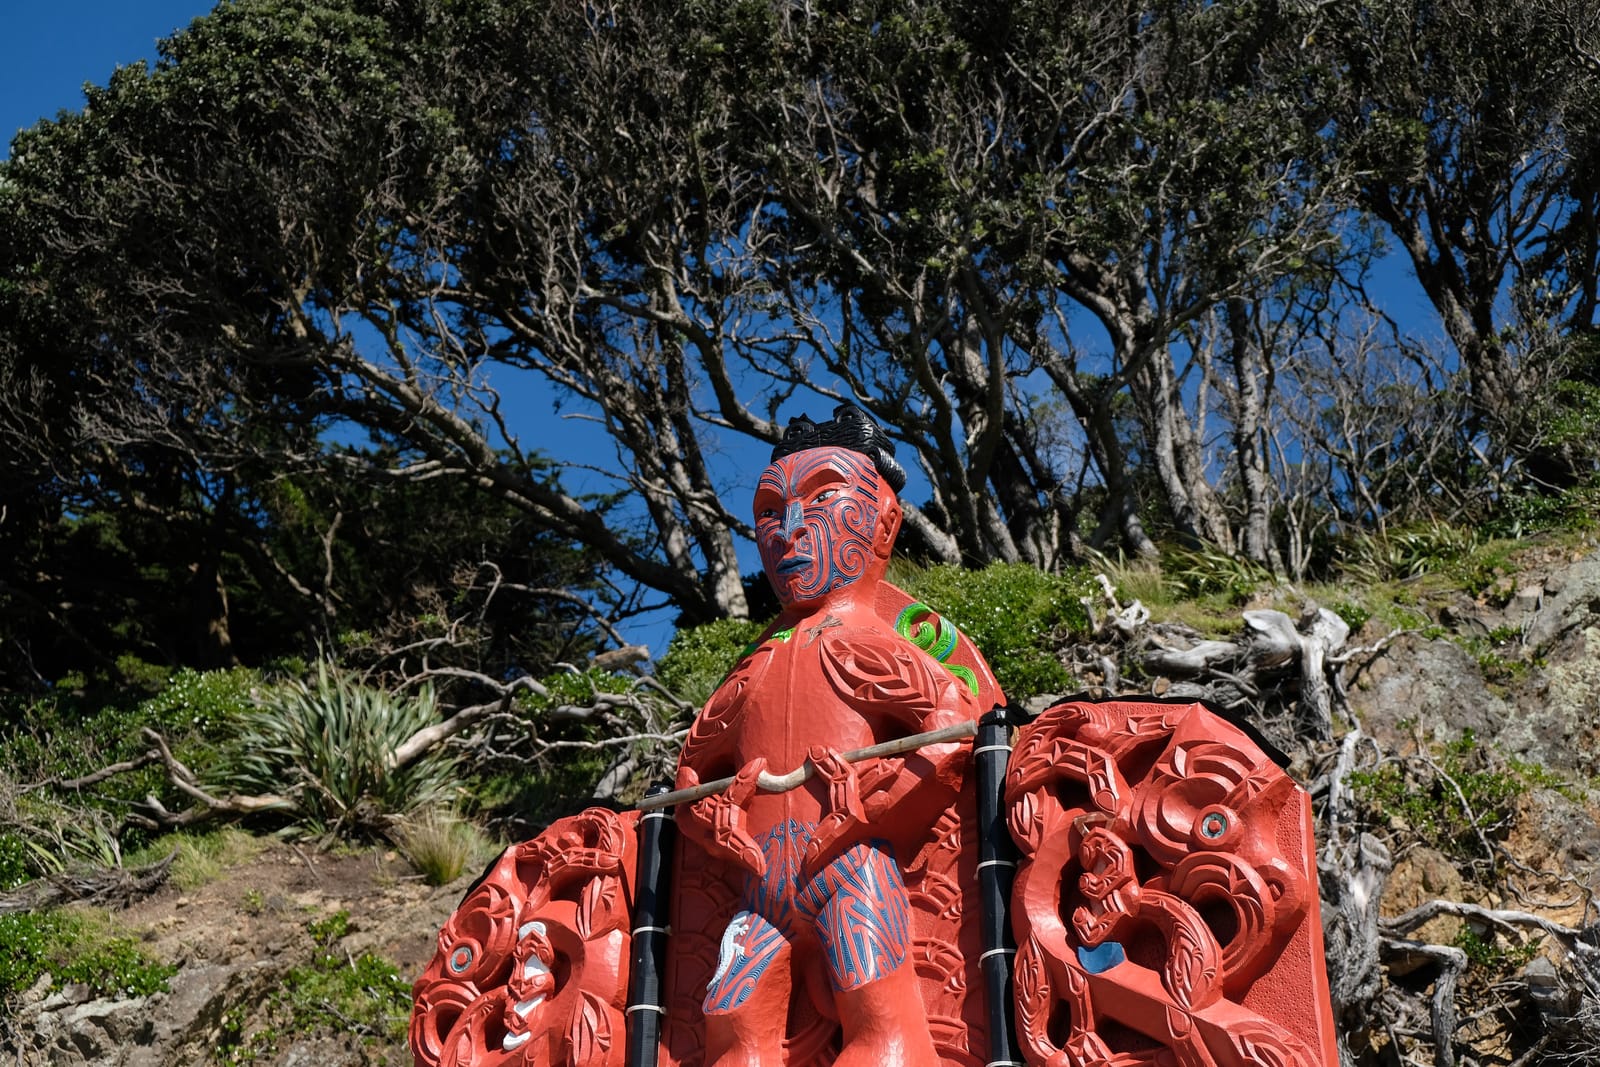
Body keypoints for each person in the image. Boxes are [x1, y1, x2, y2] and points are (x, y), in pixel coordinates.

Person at [672, 404, 981, 1067]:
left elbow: (953, 727)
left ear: (884, 522)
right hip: (761, 889)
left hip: (851, 871)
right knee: (727, 1029)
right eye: (769, 509)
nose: (788, 529)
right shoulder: (752, 672)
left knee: (885, 1031)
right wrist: (711, 822)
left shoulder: (863, 643)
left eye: (821, 497)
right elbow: (690, 770)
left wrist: (866, 810)